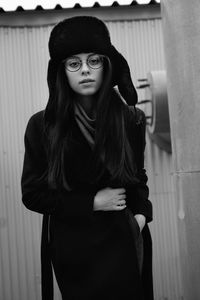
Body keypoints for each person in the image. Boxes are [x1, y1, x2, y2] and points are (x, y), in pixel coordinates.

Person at [21, 16, 153, 300]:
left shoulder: (132, 120)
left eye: (94, 61)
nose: (85, 70)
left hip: (124, 240)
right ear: (62, 71)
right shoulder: (43, 126)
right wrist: (91, 202)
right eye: (74, 63)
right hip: (75, 249)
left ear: (107, 65)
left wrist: (140, 217)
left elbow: (138, 178)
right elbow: (33, 194)